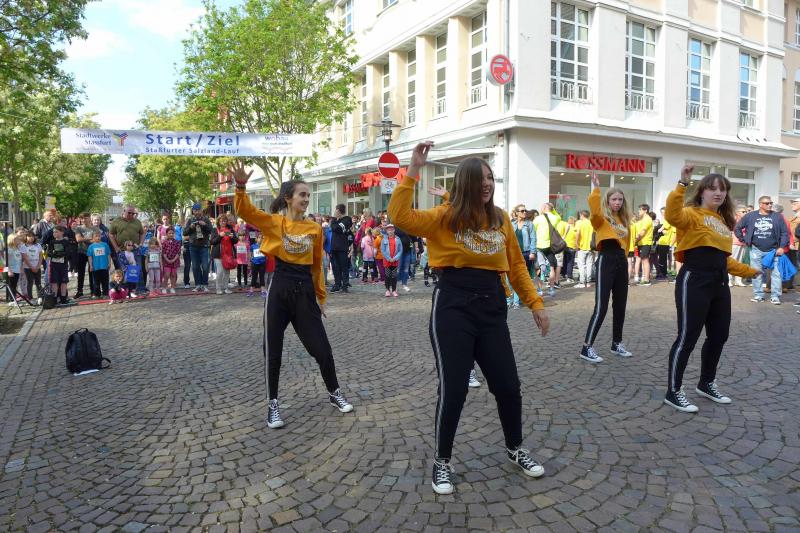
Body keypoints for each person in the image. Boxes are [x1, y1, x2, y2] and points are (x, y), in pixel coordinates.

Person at [387, 141, 551, 495]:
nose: (487, 184)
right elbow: (400, 217)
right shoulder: (445, 216)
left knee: (508, 385)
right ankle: (442, 460)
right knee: (455, 387)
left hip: (492, 306)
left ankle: (515, 447)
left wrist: (535, 303)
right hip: (453, 306)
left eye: (490, 178)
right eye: (480, 179)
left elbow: (516, 266)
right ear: (466, 183)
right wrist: (412, 170)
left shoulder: (501, 219)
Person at [231, 160, 353, 429]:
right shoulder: (275, 222)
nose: (306, 199)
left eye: (308, 195)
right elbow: (245, 211)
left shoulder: (315, 228)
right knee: (272, 350)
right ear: (288, 198)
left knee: (322, 349)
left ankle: (334, 392)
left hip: (305, 290)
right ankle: (272, 404)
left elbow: (317, 265)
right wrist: (240, 187)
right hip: (280, 286)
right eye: (302, 195)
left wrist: (321, 297)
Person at [663, 166, 760, 413]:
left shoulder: (723, 223)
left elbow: (724, 261)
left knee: (719, 335)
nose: (718, 193)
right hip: (694, 280)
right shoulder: (691, 214)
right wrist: (682, 183)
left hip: (719, 284)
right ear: (702, 192)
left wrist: (750, 271)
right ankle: (673, 391)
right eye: (712, 188)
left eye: (723, 189)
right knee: (687, 337)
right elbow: (672, 215)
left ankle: (706, 383)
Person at [580, 172, 633, 363]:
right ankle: (586, 347)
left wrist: (624, 261)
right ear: (608, 201)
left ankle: (616, 343)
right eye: (614, 199)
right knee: (601, 306)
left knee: (620, 304)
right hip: (606, 260)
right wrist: (596, 188)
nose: (617, 202)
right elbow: (594, 212)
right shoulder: (601, 218)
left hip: (620, 261)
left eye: (620, 199)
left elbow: (627, 243)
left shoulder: (624, 220)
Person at [734, 195, 789, 304]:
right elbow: (738, 228)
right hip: (756, 249)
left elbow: (784, 233)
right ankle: (758, 295)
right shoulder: (751, 216)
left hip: (774, 250)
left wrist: (782, 247)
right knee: (756, 273)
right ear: (760, 204)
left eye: (771, 203)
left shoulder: (777, 216)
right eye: (767, 203)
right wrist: (744, 240)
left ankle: (775, 296)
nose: (770, 205)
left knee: (776, 274)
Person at [510, 204, 536, 307]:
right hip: (514, 253)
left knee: (524, 277)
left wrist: (532, 252)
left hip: (526, 253)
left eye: (525, 211)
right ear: (517, 213)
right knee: (514, 276)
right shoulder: (512, 224)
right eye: (522, 211)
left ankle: (519, 299)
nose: (524, 212)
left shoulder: (529, 224)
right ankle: (515, 299)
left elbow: (533, 238)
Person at [532, 203, 561, 297]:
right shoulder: (555, 218)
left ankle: (540, 290)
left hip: (539, 246)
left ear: (544, 208)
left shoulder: (538, 219)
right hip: (550, 246)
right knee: (552, 267)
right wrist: (552, 209)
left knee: (540, 267)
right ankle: (551, 289)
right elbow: (558, 216)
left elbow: (533, 231)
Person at [184, 203, 212, 293]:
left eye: (198, 210)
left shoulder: (206, 219)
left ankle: (205, 285)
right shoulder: (190, 220)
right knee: (195, 267)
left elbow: (211, 230)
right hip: (193, 246)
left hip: (204, 246)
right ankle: (198, 285)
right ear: (193, 211)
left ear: (201, 210)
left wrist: (204, 225)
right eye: (195, 210)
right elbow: (184, 232)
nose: (197, 212)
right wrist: (190, 227)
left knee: (205, 266)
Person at [210, 214, 238, 295]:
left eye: (225, 221)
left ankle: (226, 288)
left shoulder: (230, 229)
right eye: (221, 221)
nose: (223, 222)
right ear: (218, 221)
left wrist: (232, 237)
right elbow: (212, 241)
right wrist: (219, 236)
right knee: (220, 272)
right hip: (218, 254)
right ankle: (218, 288)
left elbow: (236, 241)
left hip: (228, 253)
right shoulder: (215, 229)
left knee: (227, 271)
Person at [45, 225, 71, 305]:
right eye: (53, 232)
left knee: (64, 281)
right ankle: (54, 298)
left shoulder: (66, 242)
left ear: (62, 232)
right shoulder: (52, 242)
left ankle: (63, 298)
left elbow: (68, 252)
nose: (54, 234)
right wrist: (54, 254)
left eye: (56, 232)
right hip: (54, 265)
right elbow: (49, 252)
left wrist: (60, 254)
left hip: (63, 265)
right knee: (54, 281)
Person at [329, 204, 352, 293]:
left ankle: (345, 285)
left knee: (344, 267)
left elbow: (336, 228)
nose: (335, 212)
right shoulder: (337, 220)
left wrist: (334, 218)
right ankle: (337, 284)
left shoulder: (347, 220)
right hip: (334, 247)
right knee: (335, 267)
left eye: (336, 210)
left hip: (342, 248)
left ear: (338, 211)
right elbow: (334, 228)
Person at [86, 233, 111, 299]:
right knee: (96, 281)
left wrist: (109, 263)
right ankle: (97, 294)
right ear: (93, 238)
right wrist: (91, 265)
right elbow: (89, 257)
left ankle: (105, 294)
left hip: (104, 266)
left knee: (105, 281)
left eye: (99, 236)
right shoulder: (91, 246)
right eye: (96, 236)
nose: (98, 237)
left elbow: (108, 254)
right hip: (95, 267)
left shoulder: (105, 245)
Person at [381, 224, 403, 297]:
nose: (390, 231)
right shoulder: (384, 240)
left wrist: (395, 258)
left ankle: (394, 290)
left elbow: (400, 250)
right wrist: (388, 258)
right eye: (389, 230)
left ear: (394, 230)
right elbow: (383, 250)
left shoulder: (398, 239)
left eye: (391, 230)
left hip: (395, 261)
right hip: (387, 261)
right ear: (387, 231)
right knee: (387, 276)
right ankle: (387, 290)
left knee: (394, 276)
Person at [634, 204, 654, 285]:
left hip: (646, 242)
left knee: (645, 260)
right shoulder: (642, 219)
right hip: (641, 242)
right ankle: (645, 278)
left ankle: (647, 280)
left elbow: (642, 232)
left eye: (640, 209)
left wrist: (635, 240)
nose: (639, 211)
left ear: (645, 210)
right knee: (643, 260)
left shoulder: (647, 219)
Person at [574, 210, 593, 288]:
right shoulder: (591, 223)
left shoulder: (579, 223)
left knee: (581, 265)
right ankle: (588, 282)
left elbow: (577, 233)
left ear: (582, 215)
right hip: (591, 247)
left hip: (581, 247)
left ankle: (582, 282)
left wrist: (576, 243)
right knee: (589, 265)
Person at [22, 232, 43, 302]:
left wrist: (38, 266)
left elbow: (41, 256)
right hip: (28, 268)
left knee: (38, 282)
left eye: (32, 236)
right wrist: (31, 267)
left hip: (37, 267)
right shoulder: (23, 246)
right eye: (29, 236)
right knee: (30, 282)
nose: (31, 238)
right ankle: (30, 298)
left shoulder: (38, 245)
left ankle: (40, 297)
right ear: (26, 237)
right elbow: (25, 258)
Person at [161, 227, 181, 294]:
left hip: (175, 261)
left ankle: (172, 287)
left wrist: (173, 260)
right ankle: (164, 287)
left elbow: (178, 252)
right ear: (166, 234)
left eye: (172, 233)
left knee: (173, 275)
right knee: (166, 275)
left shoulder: (177, 242)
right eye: (169, 233)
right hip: (166, 261)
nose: (171, 234)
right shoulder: (164, 242)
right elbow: (163, 252)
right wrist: (167, 260)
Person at [5, 233, 23, 303]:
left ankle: (14, 298)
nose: (19, 240)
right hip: (11, 270)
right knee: (11, 285)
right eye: (17, 239)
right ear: (12, 240)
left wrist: (20, 268)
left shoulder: (17, 248)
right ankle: (12, 299)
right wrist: (9, 270)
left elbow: (19, 260)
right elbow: (5, 262)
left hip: (17, 270)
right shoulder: (9, 249)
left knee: (14, 285)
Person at [249, 233, 267, 297]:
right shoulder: (253, 246)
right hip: (255, 263)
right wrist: (250, 260)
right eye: (259, 237)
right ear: (256, 239)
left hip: (262, 263)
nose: (260, 239)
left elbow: (267, 253)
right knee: (254, 277)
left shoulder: (264, 246)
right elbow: (250, 253)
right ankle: (251, 291)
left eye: (262, 238)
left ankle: (263, 291)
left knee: (262, 277)